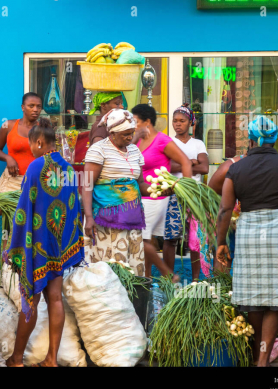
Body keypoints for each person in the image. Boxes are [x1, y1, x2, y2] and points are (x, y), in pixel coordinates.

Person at [216, 116, 278, 367]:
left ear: (249, 139)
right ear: (275, 139)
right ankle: (262, 359)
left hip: (249, 232)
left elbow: (225, 209)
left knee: (253, 296)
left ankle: (258, 350)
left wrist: (221, 243)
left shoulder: (236, 169)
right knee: (276, 298)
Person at [5, 119, 84, 368]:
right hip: (59, 245)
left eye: (31, 145)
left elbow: (23, 208)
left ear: (39, 142)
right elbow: (74, 209)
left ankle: (17, 359)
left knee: (31, 300)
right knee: (56, 298)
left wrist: (15, 244)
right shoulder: (69, 169)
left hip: (37, 243)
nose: (31, 149)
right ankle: (51, 359)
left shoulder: (36, 167)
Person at [83, 109, 154, 276]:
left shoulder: (134, 151)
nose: (130, 138)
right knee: (111, 269)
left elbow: (141, 183)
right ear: (112, 133)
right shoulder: (99, 150)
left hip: (132, 220)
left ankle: (131, 302)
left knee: (133, 269)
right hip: (107, 222)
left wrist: (159, 189)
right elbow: (87, 185)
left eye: (132, 133)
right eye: (126, 134)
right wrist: (89, 217)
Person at [131, 104, 192, 278]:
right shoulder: (138, 140)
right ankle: (147, 278)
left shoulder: (162, 140)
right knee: (146, 239)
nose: (133, 125)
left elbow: (185, 162)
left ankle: (168, 275)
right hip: (140, 195)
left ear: (147, 122)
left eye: (135, 122)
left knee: (141, 238)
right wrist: (135, 138)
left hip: (156, 197)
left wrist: (186, 191)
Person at [164, 104, 209, 279]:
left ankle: (196, 279)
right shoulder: (168, 142)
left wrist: (182, 165)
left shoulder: (198, 144)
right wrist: (190, 162)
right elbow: (166, 166)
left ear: (190, 122)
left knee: (195, 238)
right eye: (175, 121)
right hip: (175, 193)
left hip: (194, 195)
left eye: (182, 121)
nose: (177, 124)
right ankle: (168, 277)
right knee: (171, 237)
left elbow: (205, 167)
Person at [0, 93, 42, 193]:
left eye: (39, 106)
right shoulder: (9, 125)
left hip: (37, 181)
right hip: (12, 182)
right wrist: (8, 158)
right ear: (23, 107)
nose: (35, 109)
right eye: (31, 106)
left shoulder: (44, 129)